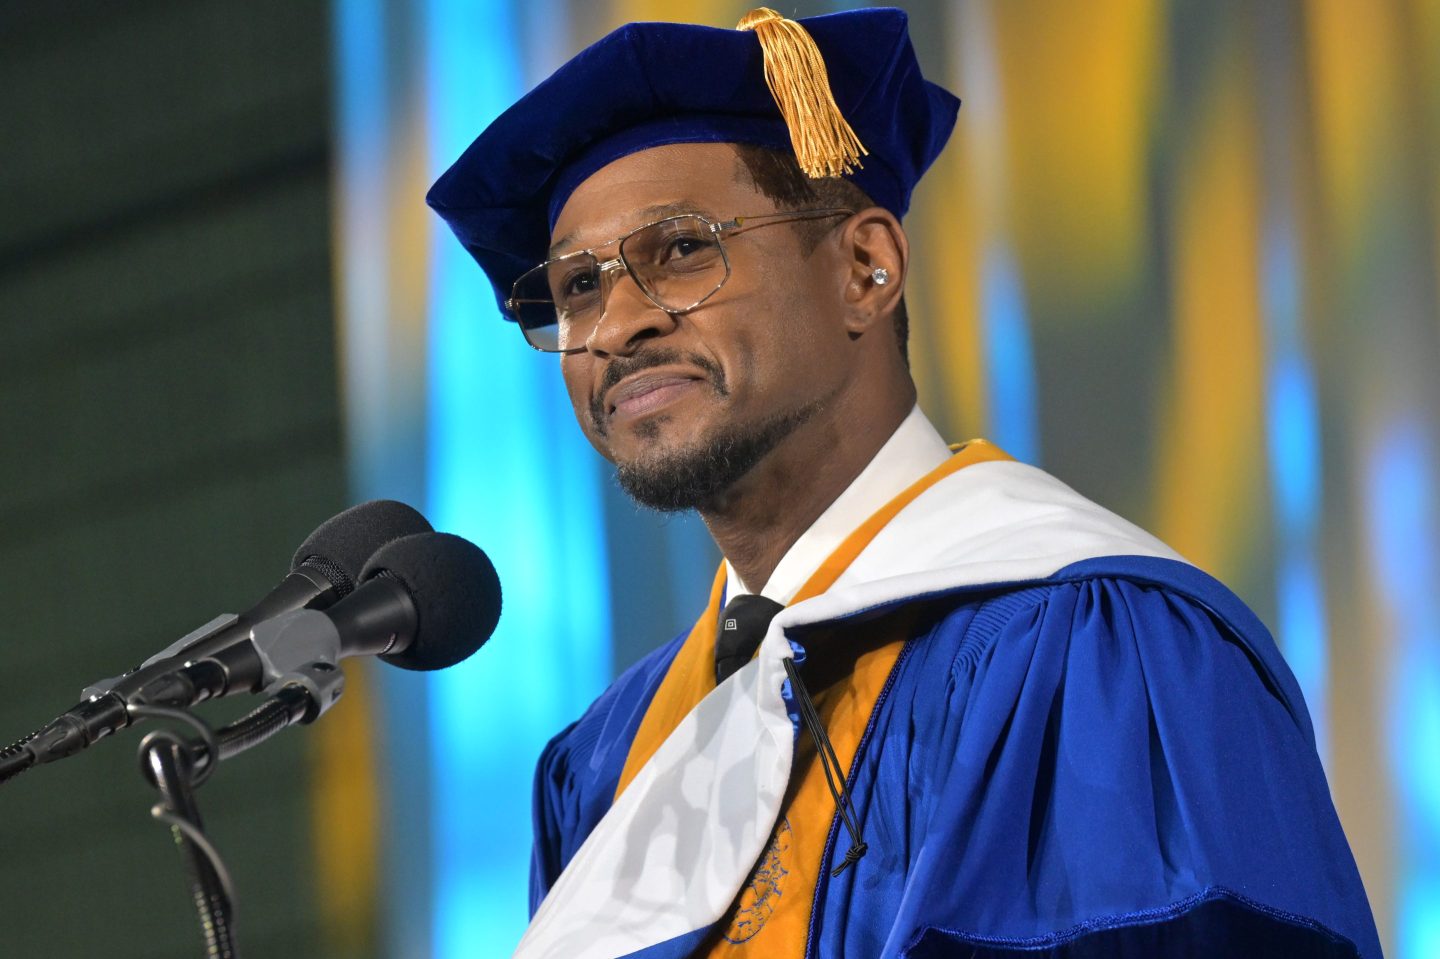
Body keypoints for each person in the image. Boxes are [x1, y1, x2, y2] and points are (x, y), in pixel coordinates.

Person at [428, 7, 1381, 958]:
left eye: (681, 250)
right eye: (578, 286)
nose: (617, 324)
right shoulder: (609, 763)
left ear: (865, 267)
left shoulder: (1092, 647)